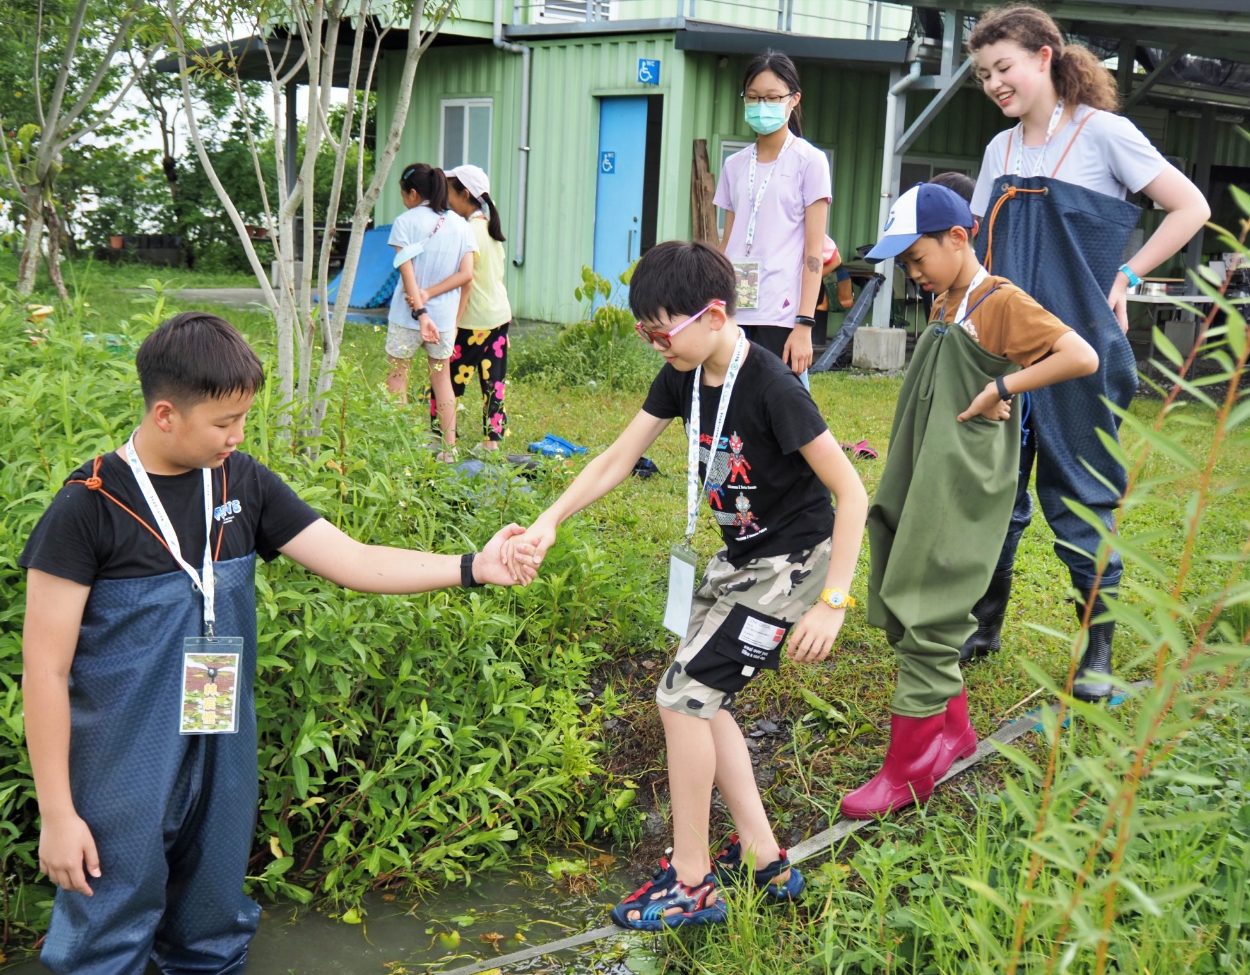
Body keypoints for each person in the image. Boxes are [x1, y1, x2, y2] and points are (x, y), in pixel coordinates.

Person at [19, 312, 533, 975]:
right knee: (107, 924)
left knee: (210, 920)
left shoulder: (240, 483)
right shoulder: (89, 506)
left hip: (215, 730)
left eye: (243, 421)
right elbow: (45, 668)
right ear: (166, 414)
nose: (236, 437)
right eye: (223, 422)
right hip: (123, 756)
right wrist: (58, 814)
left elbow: (353, 559)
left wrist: (472, 566)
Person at [504, 241, 868, 928]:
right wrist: (549, 519)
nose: (654, 345)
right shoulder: (683, 372)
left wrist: (833, 603)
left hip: (793, 567)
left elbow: (851, 493)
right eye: (646, 333)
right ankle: (766, 861)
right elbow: (618, 456)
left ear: (714, 314)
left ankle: (692, 881)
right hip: (739, 560)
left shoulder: (772, 387)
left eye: (661, 332)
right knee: (703, 698)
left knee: (682, 699)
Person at [963, 6, 1209, 694]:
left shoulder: (1105, 135)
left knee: (1082, 494)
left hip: (1082, 352)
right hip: (1006, 349)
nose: (994, 83)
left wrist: (1125, 276)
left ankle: (1095, 651)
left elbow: (1191, 206)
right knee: (995, 490)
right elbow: (979, 246)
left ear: (1045, 56)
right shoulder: (998, 152)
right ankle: (985, 624)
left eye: (1004, 67)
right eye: (984, 74)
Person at [841, 184, 1099, 819]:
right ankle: (953, 732)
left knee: (930, 601)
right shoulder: (947, 299)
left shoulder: (999, 301)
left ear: (958, 238)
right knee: (902, 577)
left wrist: (1003, 385)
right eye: (903, 264)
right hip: (924, 468)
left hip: (961, 480)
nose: (913, 271)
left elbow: (1081, 355)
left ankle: (907, 768)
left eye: (917, 257)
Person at [715, 51, 833, 388]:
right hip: (735, 307)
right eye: (753, 98)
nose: (761, 105)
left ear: (793, 99)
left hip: (781, 312)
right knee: (733, 404)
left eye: (771, 98)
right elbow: (728, 241)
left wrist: (805, 323)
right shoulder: (734, 165)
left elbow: (814, 252)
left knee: (783, 407)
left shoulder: (809, 162)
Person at [387, 163, 477, 462]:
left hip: (407, 319)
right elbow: (467, 275)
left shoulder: (405, 222)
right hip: (444, 321)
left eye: (403, 194)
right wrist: (433, 305)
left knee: (397, 380)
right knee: (443, 383)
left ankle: (397, 449)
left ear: (413, 193)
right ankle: (449, 452)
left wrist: (420, 307)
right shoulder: (462, 226)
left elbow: (407, 271)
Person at [425, 164, 513, 451]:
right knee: (493, 383)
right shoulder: (489, 225)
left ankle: (440, 438)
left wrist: (452, 325)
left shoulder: (466, 230)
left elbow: (467, 282)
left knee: (447, 379)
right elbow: (495, 276)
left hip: (472, 322)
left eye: (449, 191)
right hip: (499, 317)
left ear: (464, 193)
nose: (446, 197)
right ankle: (491, 444)